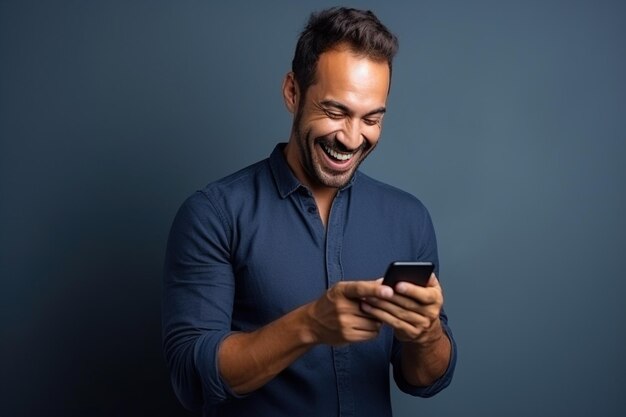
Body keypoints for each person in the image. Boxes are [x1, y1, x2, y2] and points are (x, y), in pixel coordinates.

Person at [162, 7, 456, 417]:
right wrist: (309, 326)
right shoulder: (214, 214)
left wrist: (426, 336)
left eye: (371, 119)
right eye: (335, 112)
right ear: (292, 92)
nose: (352, 138)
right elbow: (191, 374)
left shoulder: (409, 219)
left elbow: (424, 379)